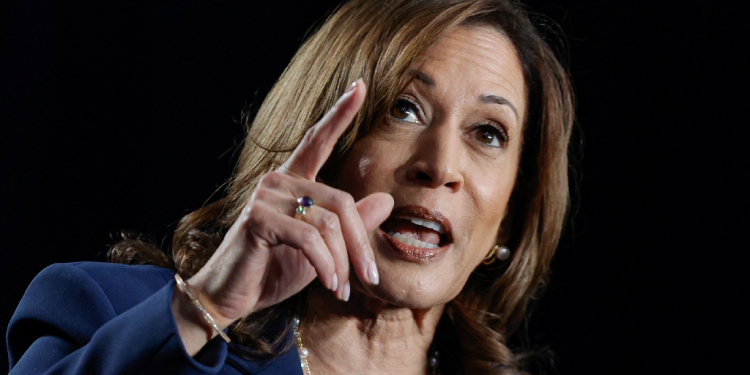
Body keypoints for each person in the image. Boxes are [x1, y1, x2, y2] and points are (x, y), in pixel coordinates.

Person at [7, 0, 574, 374]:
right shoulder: (103, 310)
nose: (441, 164)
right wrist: (205, 308)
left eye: (488, 134)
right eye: (403, 108)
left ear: (512, 211)